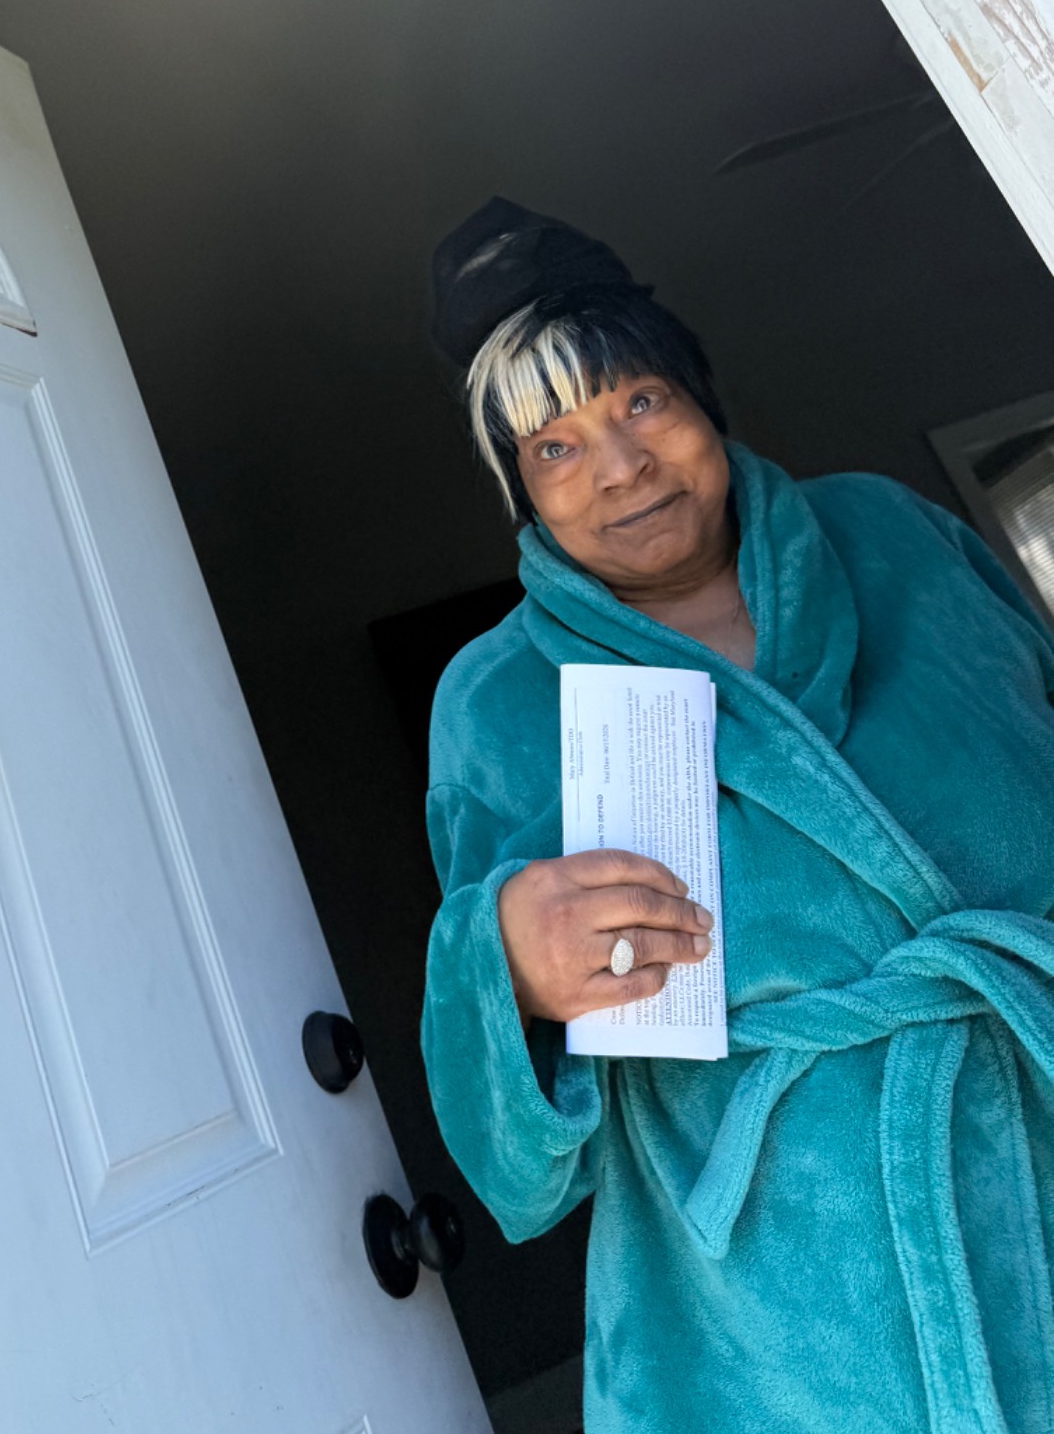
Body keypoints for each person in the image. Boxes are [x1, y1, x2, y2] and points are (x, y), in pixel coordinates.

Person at [420, 196, 1054, 1434]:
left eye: (640, 400)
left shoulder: (890, 531)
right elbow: (518, 1167)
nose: (620, 465)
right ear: (522, 493)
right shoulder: (496, 699)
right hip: (785, 1291)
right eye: (554, 446)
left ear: (700, 397)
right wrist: (504, 967)